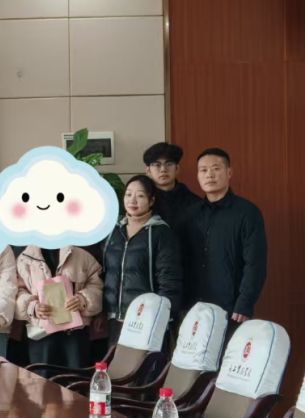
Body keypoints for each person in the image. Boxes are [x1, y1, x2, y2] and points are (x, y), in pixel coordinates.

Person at [183, 148, 267, 340]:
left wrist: (245, 303)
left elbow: (255, 263)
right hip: (193, 307)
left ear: (229, 172)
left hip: (231, 308)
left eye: (215, 169)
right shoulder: (190, 214)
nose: (209, 175)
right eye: (203, 170)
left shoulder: (247, 212)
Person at [101, 175, 183, 347]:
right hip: (114, 319)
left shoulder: (161, 233)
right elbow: (105, 274)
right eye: (128, 194)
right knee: (113, 363)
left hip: (145, 321)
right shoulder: (114, 232)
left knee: (144, 364)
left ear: (151, 200)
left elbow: (169, 280)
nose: (132, 200)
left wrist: (161, 317)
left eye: (140, 195)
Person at [15, 246, 103, 371]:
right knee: (42, 380)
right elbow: (16, 292)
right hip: (41, 334)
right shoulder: (24, 259)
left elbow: (98, 286)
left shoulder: (82, 255)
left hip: (75, 335)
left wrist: (82, 299)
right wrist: (32, 307)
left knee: (75, 380)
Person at [144, 142, 200, 229]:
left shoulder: (194, 202)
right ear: (148, 171)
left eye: (169, 164)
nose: (163, 170)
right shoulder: (143, 200)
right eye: (157, 165)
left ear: (177, 169)